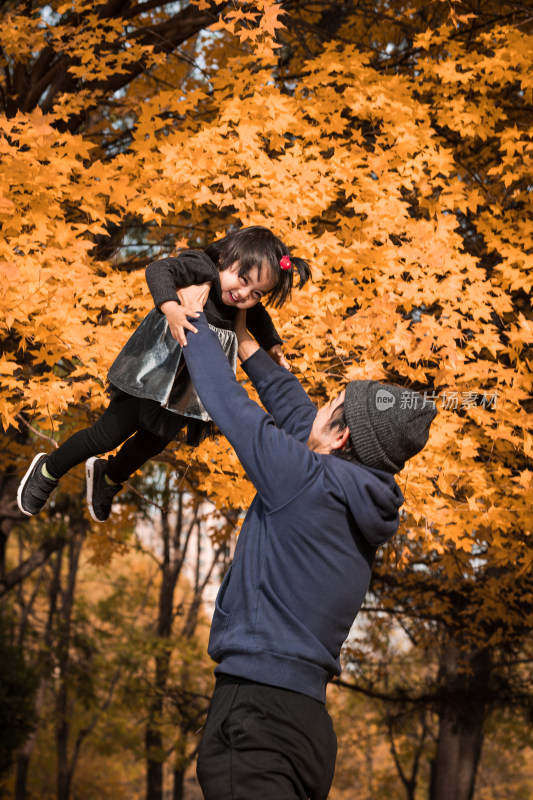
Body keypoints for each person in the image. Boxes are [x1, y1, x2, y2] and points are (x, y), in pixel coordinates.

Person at [174, 282, 437, 800]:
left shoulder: (303, 481)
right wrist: (246, 340)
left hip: (255, 723)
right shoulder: (360, 493)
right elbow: (295, 410)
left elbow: (228, 404)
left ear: (339, 438)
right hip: (306, 728)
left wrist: (193, 319)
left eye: (330, 404)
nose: (317, 408)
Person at [17, 226, 311, 522]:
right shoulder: (202, 269)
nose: (243, 294)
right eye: (243, 280)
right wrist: (170, 307)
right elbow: (160, 269)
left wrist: (272, 344)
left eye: (255, 293)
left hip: (187, 392)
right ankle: (49, 468)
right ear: (224, 258)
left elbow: (259, 317)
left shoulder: (239, 303)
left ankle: (108, 477)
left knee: (151, 444)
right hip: (153, 374)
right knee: (107, 435)